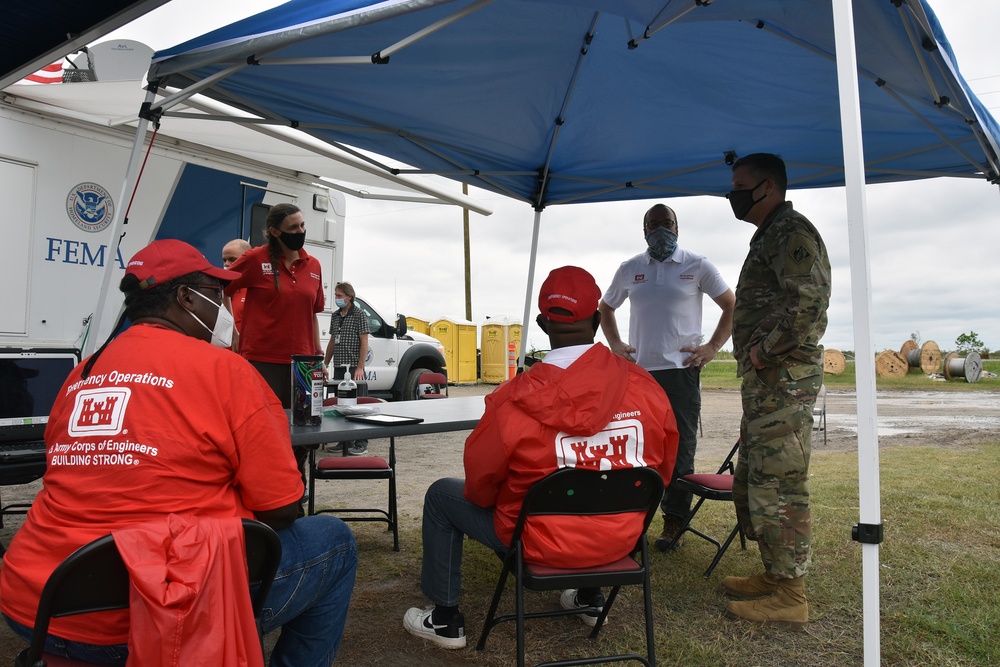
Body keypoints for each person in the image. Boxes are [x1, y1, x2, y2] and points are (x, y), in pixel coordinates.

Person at [0, 239, 357, 666]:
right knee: (335, 541)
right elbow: (281, 509)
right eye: (217, 295)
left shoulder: (83, 373)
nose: (223, 309)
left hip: (39, 602)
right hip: (158, 606)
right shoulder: (226, 371)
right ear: (186, 298)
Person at [403, 266, 679, 649]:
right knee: (601, 479)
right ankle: (589, 596)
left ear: (541, 323)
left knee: (440, 496)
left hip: (535, 540)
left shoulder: (512, 398)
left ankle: (446, 620)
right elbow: (661, 470)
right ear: (598, 321)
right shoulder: (646, 387)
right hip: (621, 538)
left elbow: (481, 484)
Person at [722, 153, 831, 628]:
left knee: (780, 481)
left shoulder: (791, 233)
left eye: (740, 185)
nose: (733, 195)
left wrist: (765, 351)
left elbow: (809, 303)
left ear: (767, 187)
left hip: (782, 380)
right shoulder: (770, 235)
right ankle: (775, 574)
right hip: (768, 384)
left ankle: (791, 594)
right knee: (759, 475)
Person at [599, 203, 735, 552]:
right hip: (639, 373)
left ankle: (674, 520)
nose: (661, 229)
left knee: (679, 450)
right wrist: (615, 344)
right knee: (636, 447)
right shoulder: (630, 268)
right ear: (644, 231)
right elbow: (605, 308)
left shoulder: (697, 265)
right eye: (653, 224)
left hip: (681, 373)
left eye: (667, 223)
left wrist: (713, 347)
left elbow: (732, 305)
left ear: (678, 227)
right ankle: (633, 522)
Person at [224, 204, 325, 488]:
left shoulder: (313, 265)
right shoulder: (255, 259)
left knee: (306, 432)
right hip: (263, 360)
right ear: (275, 231)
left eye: (303, 225)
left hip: (304, 364)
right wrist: (231, 329)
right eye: (293, 228)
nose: (301, 231)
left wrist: (318, 357)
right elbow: (221, 287)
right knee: (265, 430)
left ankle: (296, 486)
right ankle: (268, 488)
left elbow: (313, 315)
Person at [323, 282, 370, 455]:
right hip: (339, 367)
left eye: (339, 296)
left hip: (355, 369)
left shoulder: (359, 314)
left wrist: (360, 367)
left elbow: (364, 341)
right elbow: (332, 341)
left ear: (349, 297)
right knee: (341, 405)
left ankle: (361, 442)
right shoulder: (335, 316)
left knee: (358, 406)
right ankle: (345, 441)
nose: (336, 299)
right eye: (335, 295)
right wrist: (325, 363)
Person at [221, 238, 251, 338]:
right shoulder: (217, 290)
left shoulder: (256, 290)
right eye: (224, 260)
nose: (226, 264)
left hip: (246, 351)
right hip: (220, 351)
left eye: (232, 259)